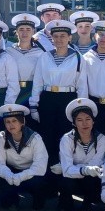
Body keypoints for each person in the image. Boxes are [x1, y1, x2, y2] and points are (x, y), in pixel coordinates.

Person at [30, 19, 84, 167]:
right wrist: (34, 105)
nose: (59, 39)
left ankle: (65, 169)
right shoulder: (45, 56)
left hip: (68, 99)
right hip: (48, 98)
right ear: (51, 38)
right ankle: (48, 170)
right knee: (47, 135)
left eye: (63, 36)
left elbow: (82, 85)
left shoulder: (78, 57)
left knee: (65, 135)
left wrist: (81, 107)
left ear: (69, 37)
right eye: (56, 36)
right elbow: (38, 82)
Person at [0, 104, 49, 211]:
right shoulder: (2, 137)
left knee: (40, 182)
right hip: (11, 172)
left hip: (30, 173)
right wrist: (8, 175)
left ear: (22, 122)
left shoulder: (35, 138)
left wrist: (21, 176)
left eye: (14, 121)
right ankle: (12, 202)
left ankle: (38, 205)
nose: (11, 125)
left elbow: (40, 166)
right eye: (7, 122)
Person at [57, 98, 105, 211]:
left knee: (92, 180)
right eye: (79, 120)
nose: (85, 123)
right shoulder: (66, 139)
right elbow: (67, 170)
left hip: (91, 178)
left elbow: (96, 165)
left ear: (93, 121)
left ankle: (87, 204)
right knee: (64, 180)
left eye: (88, 119)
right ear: (74, 123)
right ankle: (66, 202)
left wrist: (80, 169)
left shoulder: (102, 139)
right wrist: (84, 169)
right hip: (72, 178)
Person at [8, 14, 45, 122]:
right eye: (21, 29)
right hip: (12, 92)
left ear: (33, 31)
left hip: (32, 92)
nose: (25, 33)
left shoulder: (41, 53)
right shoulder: (8, 52)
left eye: (28, 29)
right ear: (16, 32)